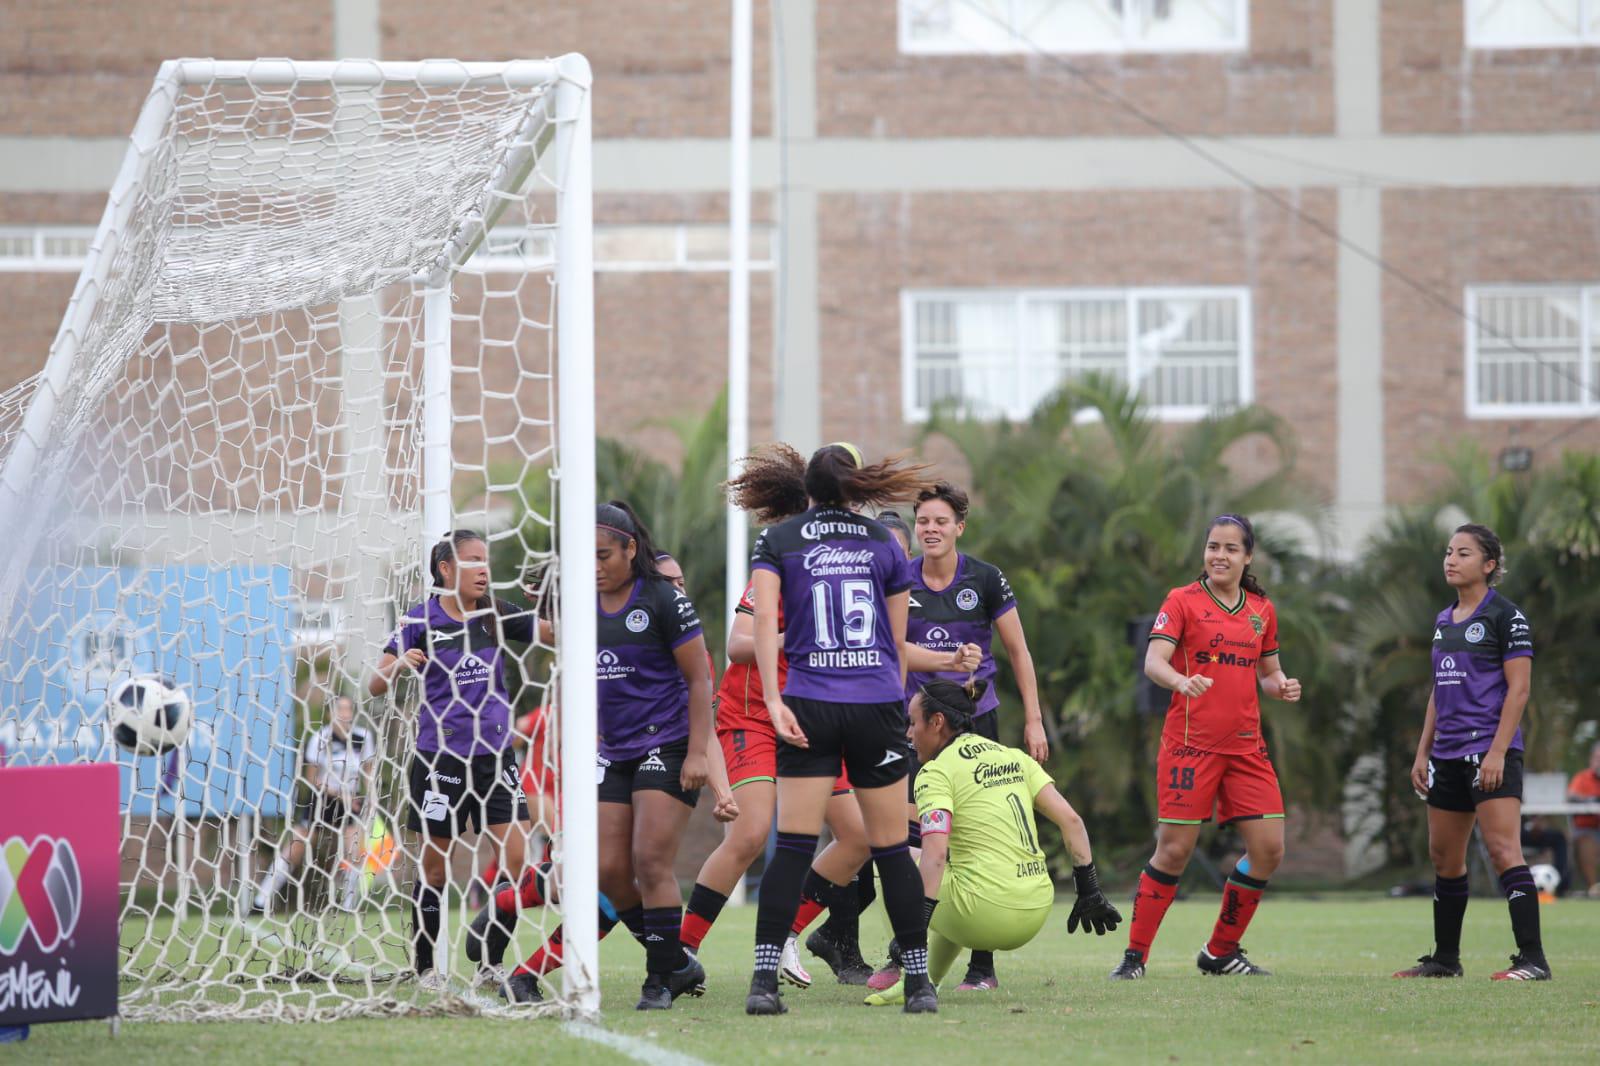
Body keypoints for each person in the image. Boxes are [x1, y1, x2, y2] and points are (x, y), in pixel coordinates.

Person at [736, 441, 939, 1015]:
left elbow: (767, 626)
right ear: (854, 489)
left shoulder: (776, 540)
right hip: (874, 704)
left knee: (795, 847)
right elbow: (897, 643)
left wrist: (775, 703)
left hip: (807, 703)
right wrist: (895, 707)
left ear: (806, 490)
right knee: (892, 848)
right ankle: (919, 986)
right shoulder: (883, 542)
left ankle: (762, 983)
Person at [679, 454, 873, 989]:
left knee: (858, 836)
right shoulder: (781, 559)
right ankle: (679, 955)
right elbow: (739, 644)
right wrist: (799, 637)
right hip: (753, 718)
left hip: (810, 718)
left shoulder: (848, 563)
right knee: (750, 832)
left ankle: (785, 933)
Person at [1109, 514, 1302, 980]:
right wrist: (1180, 679)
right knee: (1173, 851)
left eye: (1231, 548)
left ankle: (1219, 951)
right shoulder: (1182, 601)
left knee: (1269, 850)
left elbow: (1269, 670)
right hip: (1189, 748)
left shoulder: (1261, 610)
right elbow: (1154, 662)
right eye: (1213, 546)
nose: (1219, 555)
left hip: (1246, 750)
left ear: (1248, 556)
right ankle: (1134, 958)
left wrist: (1280, 685)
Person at [864, 680, 1119, 1006]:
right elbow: (1072, 822)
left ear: (937, 722)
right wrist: (1089, 890)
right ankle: (928, 981)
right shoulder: (1013, 756)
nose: (909, 735)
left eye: (913, 723)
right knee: (957, 878)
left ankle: (913, 970)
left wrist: (912, 931)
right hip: (1036, 909)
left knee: (886, 856)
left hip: (984, 915)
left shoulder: (936, 771)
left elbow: (936, 855)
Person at [370, 529, 537, 991]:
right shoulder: (417, 620)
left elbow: (550, 632)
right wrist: (400, 665)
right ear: (446, 569)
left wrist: (550, 602)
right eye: (473, 560)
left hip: (496, 757)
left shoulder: (495, 614)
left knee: (518, 858)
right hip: (440, 759)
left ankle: (489, 960)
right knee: (436, 866)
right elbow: (374, 683)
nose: (485, 568)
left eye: (487, 559)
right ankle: (425, 968)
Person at [903, 480, 1048, 991]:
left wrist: (1032, 719)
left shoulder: (985, 579)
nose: (931, 529)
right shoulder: (900, 580)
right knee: (916, 831)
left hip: (977, 720)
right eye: (923, 521)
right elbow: (892, 648)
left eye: (941, 521)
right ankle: (909, 948)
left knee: (981, 833)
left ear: (959, 527)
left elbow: (1018, 652)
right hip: (919, 726)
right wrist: (944, 662)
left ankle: (981, 966)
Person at [1393, 524, 1550, 981]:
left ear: (1489, 565)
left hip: (1489, 751)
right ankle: (1445, 960)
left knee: (1504, 850)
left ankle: (1533, 960)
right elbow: (1437, 694)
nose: (1450, 559)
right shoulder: (1444, 620)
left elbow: (1519, 691)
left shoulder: (1506, 616)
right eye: (1448, 551)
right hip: (1445, 755)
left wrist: (1498, 753)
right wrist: (1422, 753)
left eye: (1463, 553)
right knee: (1444, 857)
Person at [251, 696, 375, 915]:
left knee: (355, 849)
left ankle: (347, 906)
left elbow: (368, 770)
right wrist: (337, 794)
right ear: (330, 714)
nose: (345, 715)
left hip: (351, 801)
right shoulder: (320, 738)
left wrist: (371, 796)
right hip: (322, 800)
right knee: (295, 848)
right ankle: (261, 902)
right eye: (340, 710)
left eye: (349, 710)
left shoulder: (363, 737)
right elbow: (312, 778)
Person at [1569, 742, 1600, 897]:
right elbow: (1572, 796)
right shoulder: (1582, 778)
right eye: (1598, 758)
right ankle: (1594, 888)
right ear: (1591, 759)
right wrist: (1590, 800)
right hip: (1588, 829)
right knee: (1585, 843)